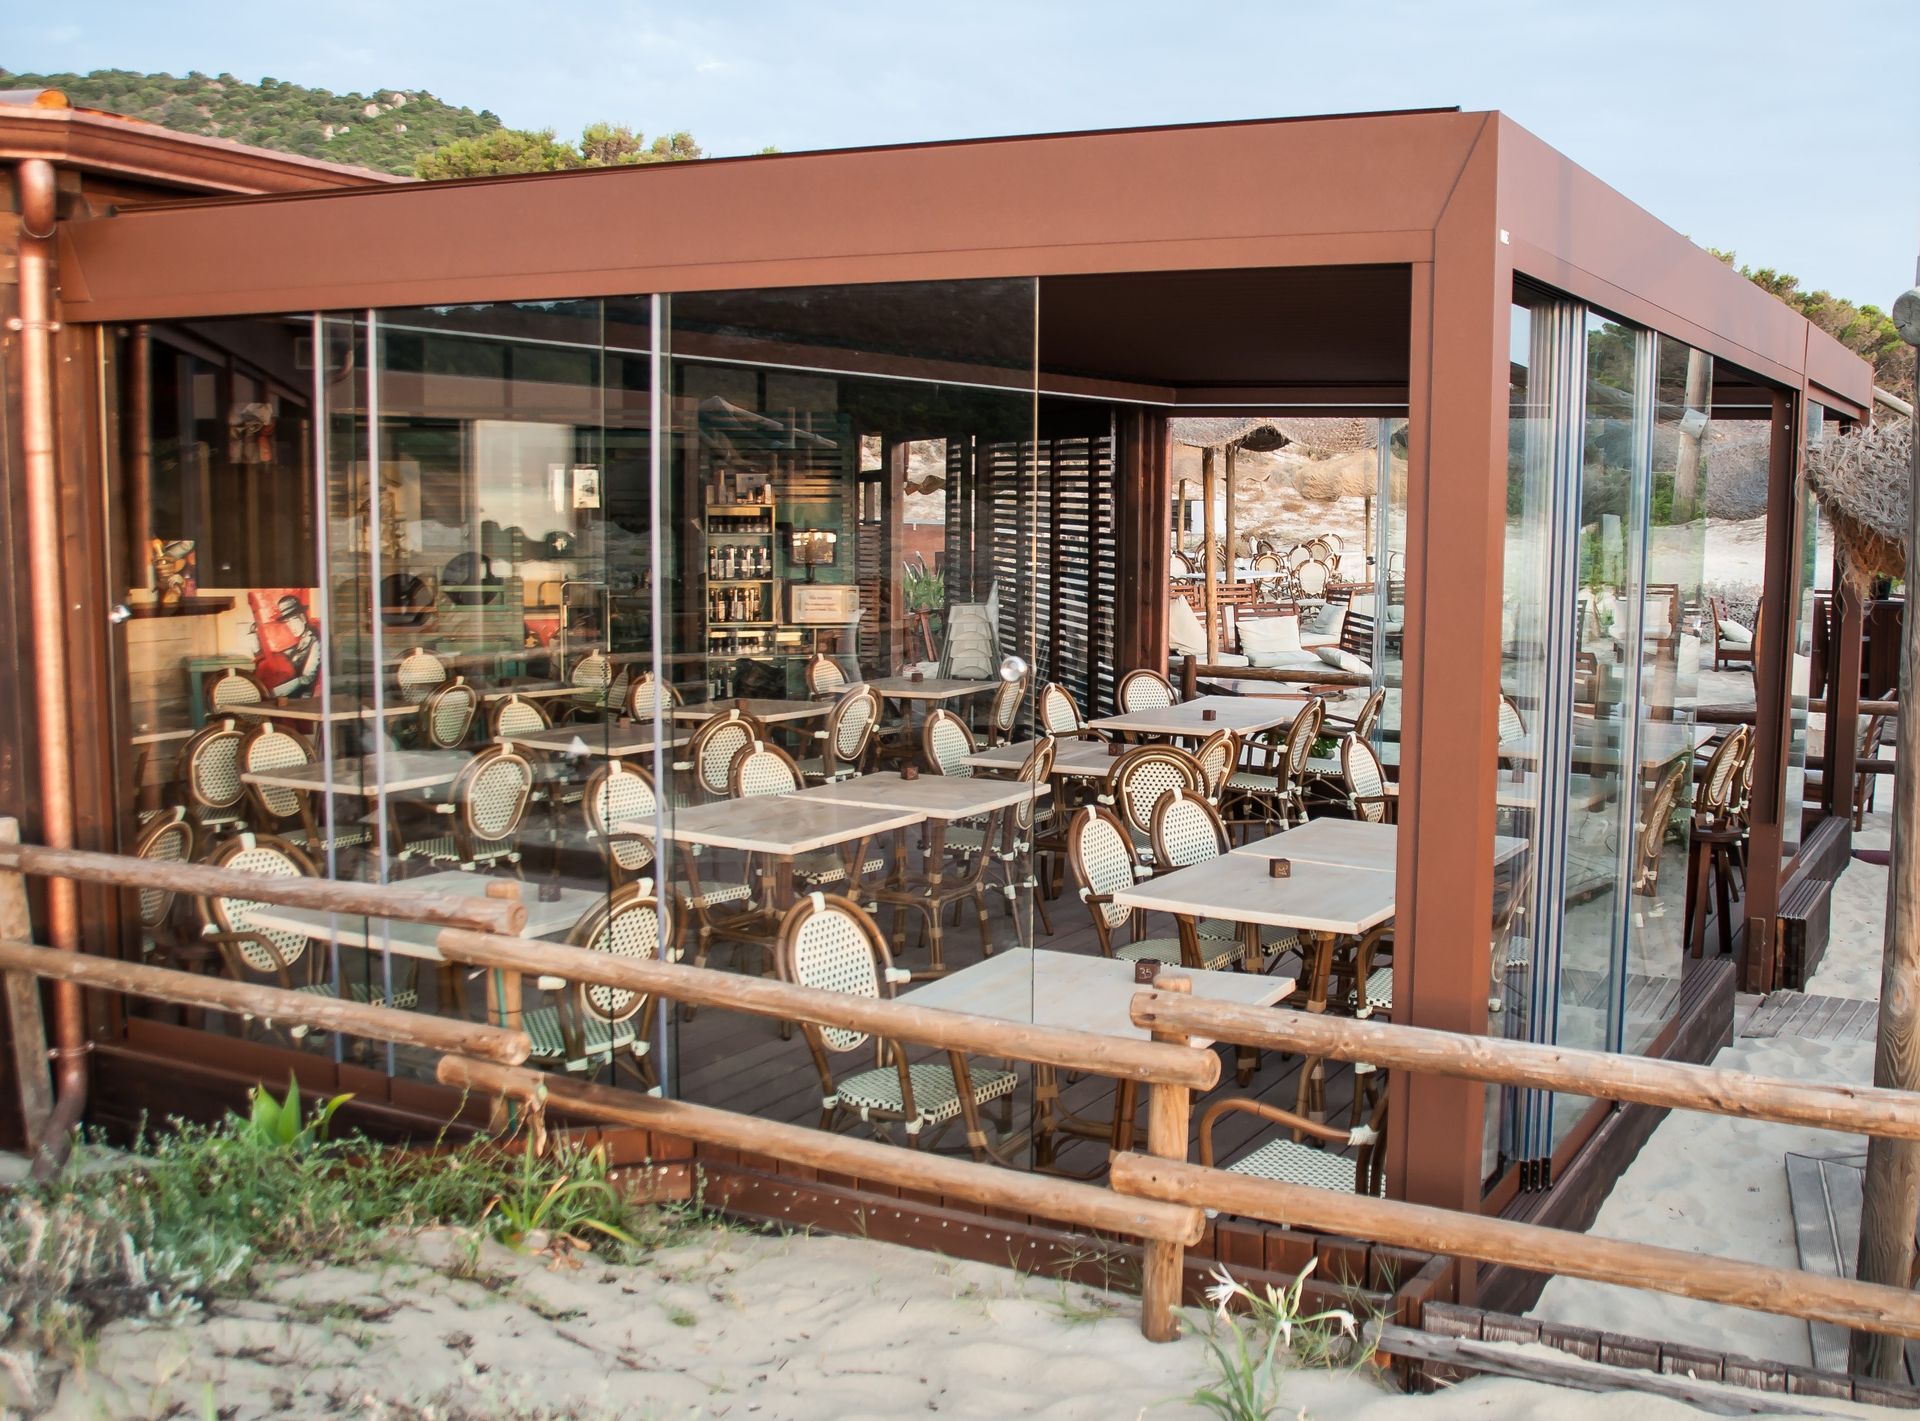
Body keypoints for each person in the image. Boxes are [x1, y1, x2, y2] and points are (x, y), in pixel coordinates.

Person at [266, 594, 322, 698]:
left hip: (305, 697)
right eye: (287, 622)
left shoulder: (315, 642)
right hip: (294, 693)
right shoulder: (303, 640)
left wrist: (274, 693)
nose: (290, 626)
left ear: (303, 618)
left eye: (293, 620)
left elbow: (307, 678)